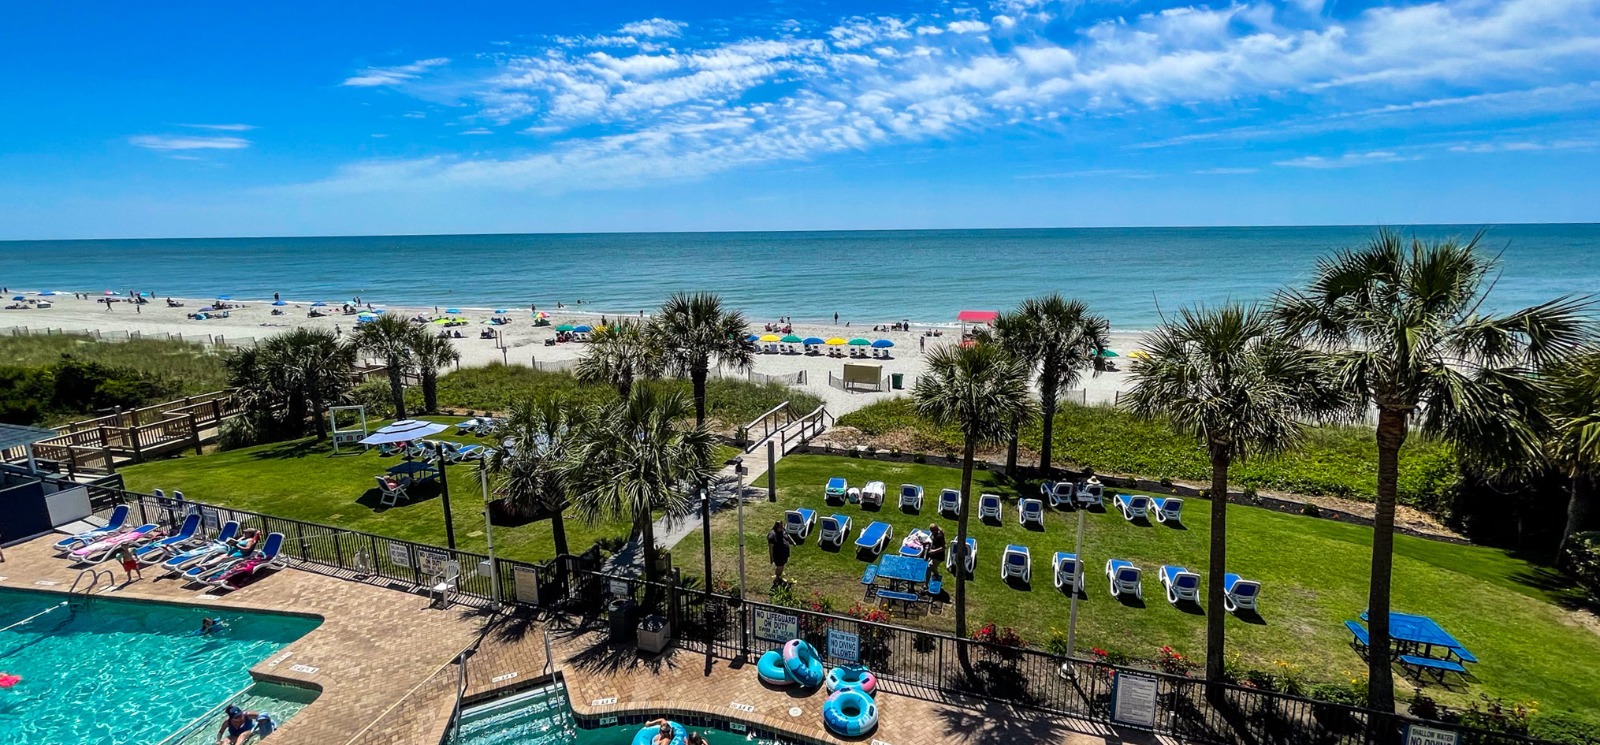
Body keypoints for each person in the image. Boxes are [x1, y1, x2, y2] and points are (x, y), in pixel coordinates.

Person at [767, 521, 796, 587]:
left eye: (782, 526)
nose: (782, 528)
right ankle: (777, 579)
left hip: (784, 553)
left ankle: (778, 577)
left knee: (781, 567)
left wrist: (793, 542)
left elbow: (787, 536)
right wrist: (771, 558)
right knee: (780, 567)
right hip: (778, 554)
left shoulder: (783, 530)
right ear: (777, 527)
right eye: (781, 526)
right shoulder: (772, 535)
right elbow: (771, 547)